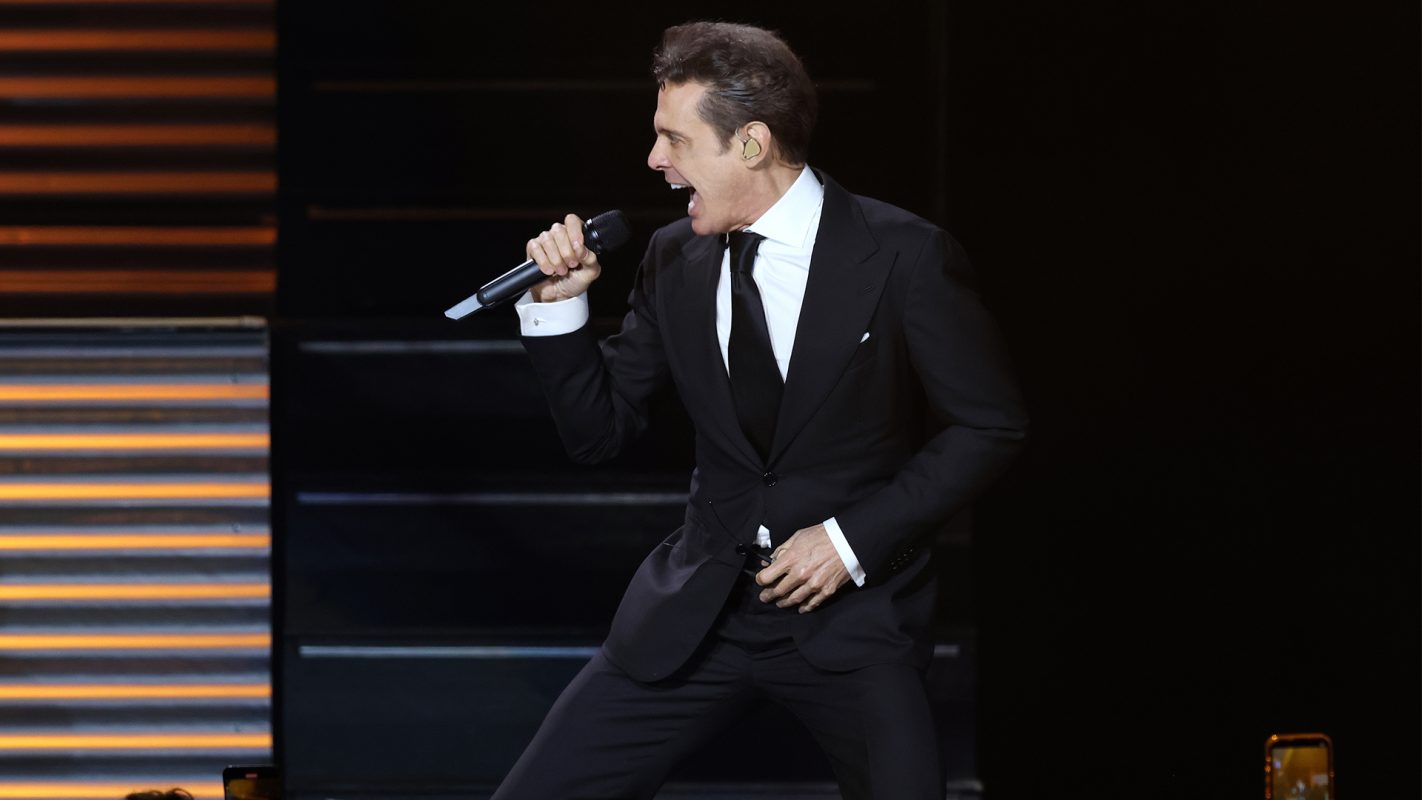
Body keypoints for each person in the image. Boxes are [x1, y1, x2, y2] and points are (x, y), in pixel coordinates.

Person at [494, 21, 1027, 800]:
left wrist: (848, 540)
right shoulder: (674, 257)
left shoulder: (905, 255)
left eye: (674, 139)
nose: (654, 160)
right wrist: (557, 310)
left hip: (851, 618)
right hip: (699, 611)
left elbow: (989, 425)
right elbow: (598, 433)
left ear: (750, 143)